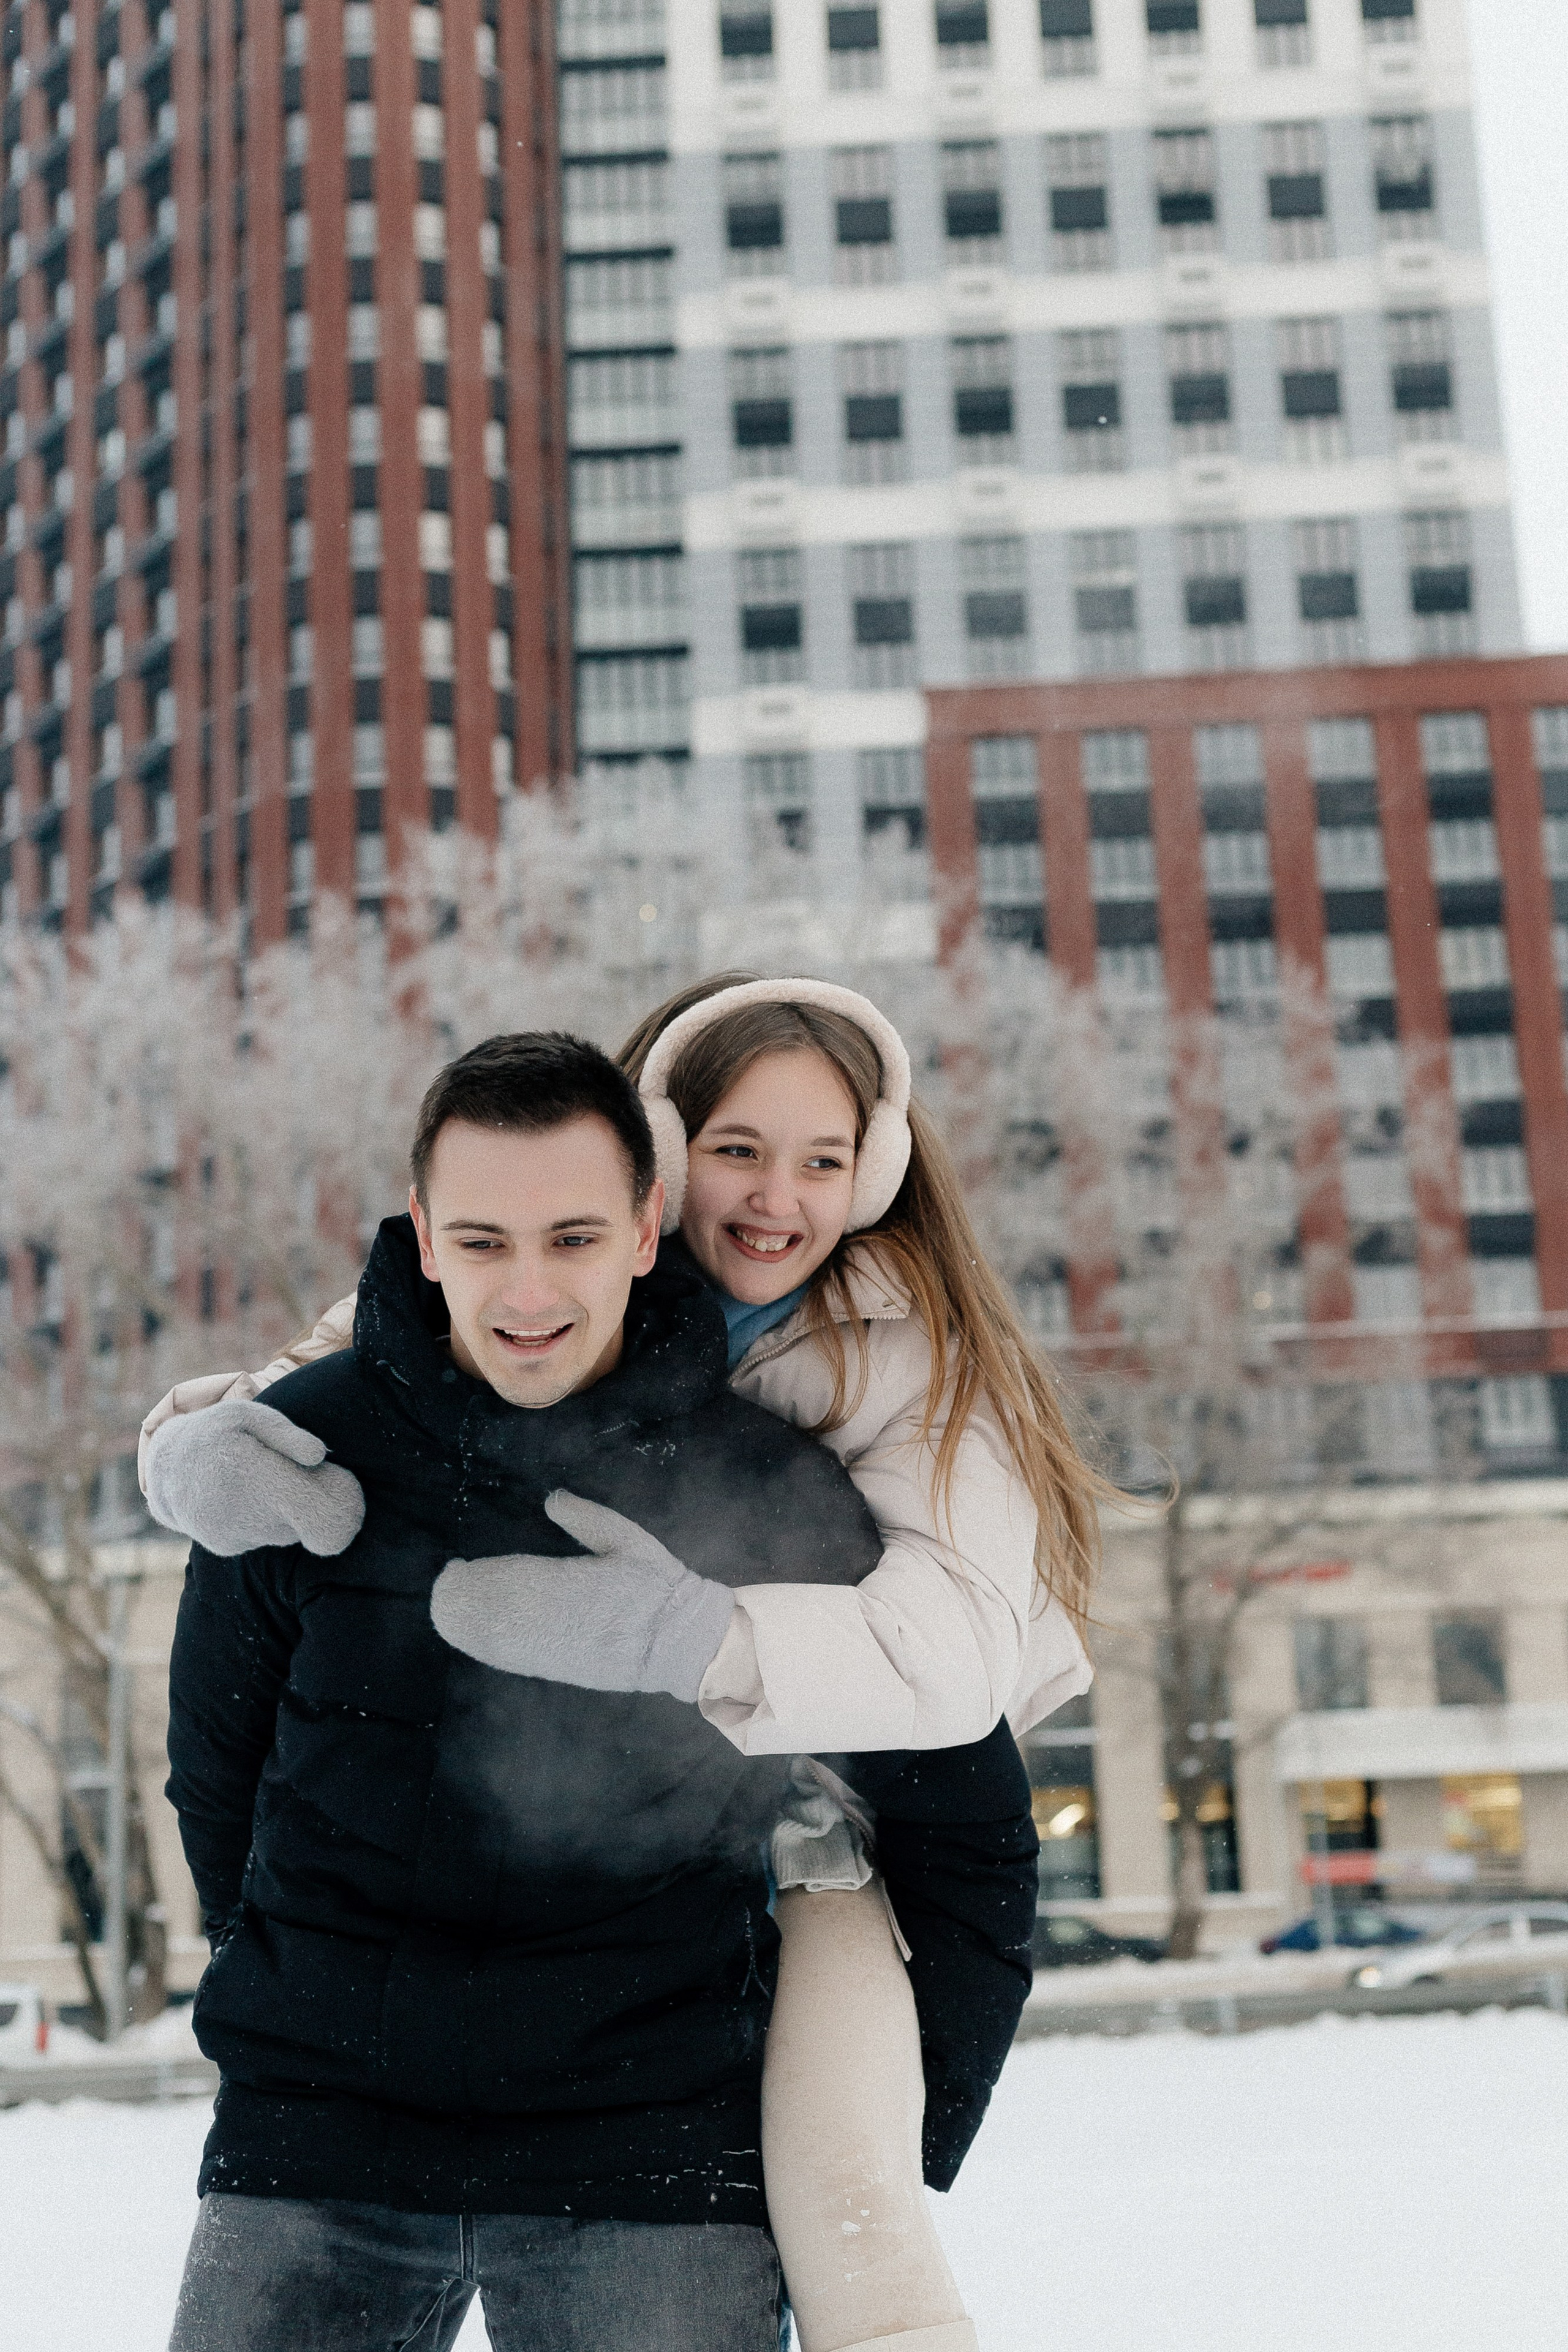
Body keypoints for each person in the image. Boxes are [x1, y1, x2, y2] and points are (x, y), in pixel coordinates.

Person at [157, 1031, 1036, 2352]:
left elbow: (962, 1817)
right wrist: (288, 1996)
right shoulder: (298, 1453)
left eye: (570, 1238)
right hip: (319, 2139)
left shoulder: (773, 1491)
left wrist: (917, 2111)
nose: (525, 1288)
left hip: (646, 2153)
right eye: (485, 1239)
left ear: (642, 1230)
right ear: (425, 1231)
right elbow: (212, 1767)